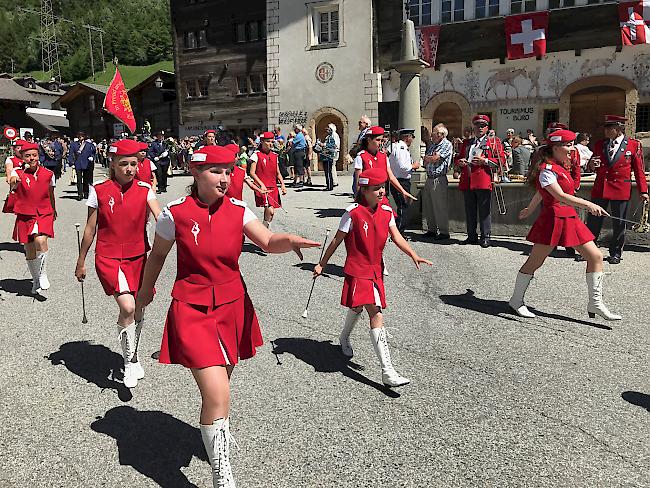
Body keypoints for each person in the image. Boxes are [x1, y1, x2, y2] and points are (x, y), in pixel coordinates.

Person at [134, 145, 318, 487]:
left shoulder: (238, 208)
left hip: (234, 306)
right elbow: (157, 256)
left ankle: (217, 433)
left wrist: (288, 239)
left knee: (222, 388)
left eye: (229, 170)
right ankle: (223, 474)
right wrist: (146, 291)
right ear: (195, 171)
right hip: (191, 309)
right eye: (217, 170)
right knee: (217, 394)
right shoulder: (174, 214)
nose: (226, 177)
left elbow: (266, 240)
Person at [313, 168, 432, 387]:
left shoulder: (387, 211)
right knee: (375, 313)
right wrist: (322, 264)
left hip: (376, 270)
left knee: (358, 307)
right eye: (376, 188)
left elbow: (396, 237)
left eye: (382, 187)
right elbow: (336, 241)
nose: (381, 192)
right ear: (364, 190)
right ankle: (388, 371)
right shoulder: (353, 213)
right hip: (358, 270)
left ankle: (343, 338)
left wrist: (414, 254)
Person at [75, 139, 162, 388]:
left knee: (140, 306)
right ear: (112, 164)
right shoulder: (99, 190)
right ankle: (127, 363)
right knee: (127, 306)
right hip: (109, 256)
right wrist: (81, 261)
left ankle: (134, 355)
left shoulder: (145, 189)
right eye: (123, 164)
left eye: (134, 164)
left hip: (137, 256)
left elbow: (160, 216)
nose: (129, 169)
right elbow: (91, 228)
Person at [510, 129, 621, 321]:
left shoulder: (560, 167)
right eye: (568, 145)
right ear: (555, 147)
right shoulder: (546, 169)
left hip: (569, 216)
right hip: (552, 219)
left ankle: (595, 302)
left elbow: (542, 192)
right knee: (535, 262)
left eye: (572, 144)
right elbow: (558, 195)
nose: (572, 148)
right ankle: (516, 300)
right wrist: (589, 204)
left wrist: (529, 208)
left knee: (595, 256)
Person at [583, 115, 648, 264]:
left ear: (618, 129)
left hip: (620, 188)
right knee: (593, 220)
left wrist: (643, 191)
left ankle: (616, 252)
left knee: (619, 224)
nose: (606, 131)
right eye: (605, 128)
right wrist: (592, 164)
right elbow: (590, 165)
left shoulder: (633, 145)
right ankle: (588, 250)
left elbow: (639, 170)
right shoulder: (600, 144)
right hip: (601, 188)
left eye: (609, 128)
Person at [9, 142, 56, 295]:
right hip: (24, 214)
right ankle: (35, 279)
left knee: (40, 240)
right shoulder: (18, 172)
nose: (31, 158)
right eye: (27, 156)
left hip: (43, 212)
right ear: (22, 157)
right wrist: (14, 180)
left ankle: (43, 274)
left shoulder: (48, 173)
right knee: (29, 249)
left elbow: (50, 193)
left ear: (38, 156)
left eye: (34, 155)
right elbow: (12, 178)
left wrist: (54, 209)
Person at [454, 114, 505, 248]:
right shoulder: (467, 142)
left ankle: (485, 237)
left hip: (483, 180)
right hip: (468, 180)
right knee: (469, 210)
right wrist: (460, 162)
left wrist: (485, 161)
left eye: (483, 126)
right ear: (473, 127)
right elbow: (457, 158)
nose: (480, 128)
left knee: (484, 211)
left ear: (487, 128)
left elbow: (501, 161)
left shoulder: (493, 142)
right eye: (477, 125)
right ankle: (471, 235)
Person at [353, 126, 416, 205]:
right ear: (369, 140)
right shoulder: (361, 156)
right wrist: (358, 200)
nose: (380, 143)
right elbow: (359, 181)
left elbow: (391, 177)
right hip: (367, 198)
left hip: (381, 197)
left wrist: (403, 192)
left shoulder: (383, 156)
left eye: (382, 140)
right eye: (377, 140)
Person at [249, 131, 287, 228]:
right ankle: (265, 232)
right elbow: (252, 173)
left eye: (272, 141)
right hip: (262, 188)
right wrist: (261, 184)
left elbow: (278, 173)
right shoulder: (256, 155)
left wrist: (282, 185)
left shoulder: (275, 156)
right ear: (262, 141)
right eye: (268, 141)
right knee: (270, 211)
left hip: (273, 187)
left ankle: (263, 231)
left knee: (269, 213)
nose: (270, 143)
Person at [422, 123, 453, 240]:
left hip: (438, 178)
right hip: (429, 177)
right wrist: (429, 159)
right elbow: (425, 160)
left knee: (440, 206)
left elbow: (435, 159)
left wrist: (430, 159)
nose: (431, 136)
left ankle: (444, 231)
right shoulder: (433, 146)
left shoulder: (446, 144)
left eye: (434, 133)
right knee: (429, 205)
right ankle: (432, 229)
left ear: (441, 134)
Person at [388, 128, 421, 232]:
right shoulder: (401, 148)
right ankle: (399, 231)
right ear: (407, 137)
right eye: (412, 137)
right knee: (403, 206)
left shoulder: (401, 147)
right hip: (400, 181)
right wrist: (414, 166)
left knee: (403, 206)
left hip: (402, 180)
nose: (413, 140)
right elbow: (403, 166)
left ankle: (399, 230)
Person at [68, 131, 96, 200]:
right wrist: (71, 163)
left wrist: (92, 157)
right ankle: (80, 194)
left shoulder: (89, 144)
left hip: (87, 163)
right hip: (78, 163)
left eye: (82, 136)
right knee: (79, 180)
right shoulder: (73, 144)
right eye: (79, 136)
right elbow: (71, 154)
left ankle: (86, 193)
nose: (80, 137)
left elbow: (93, 152)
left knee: (86, 179)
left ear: (84, 137)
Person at [320, 123, 340, 192]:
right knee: (331, 169)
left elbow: (334, 145)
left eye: (328, 128)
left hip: (330, 154)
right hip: (328, 154)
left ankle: (332, 183)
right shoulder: (329, 136)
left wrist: (324, 145)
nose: (327, 130)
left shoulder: (334, 135)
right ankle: (332, 182)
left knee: (330, 169)